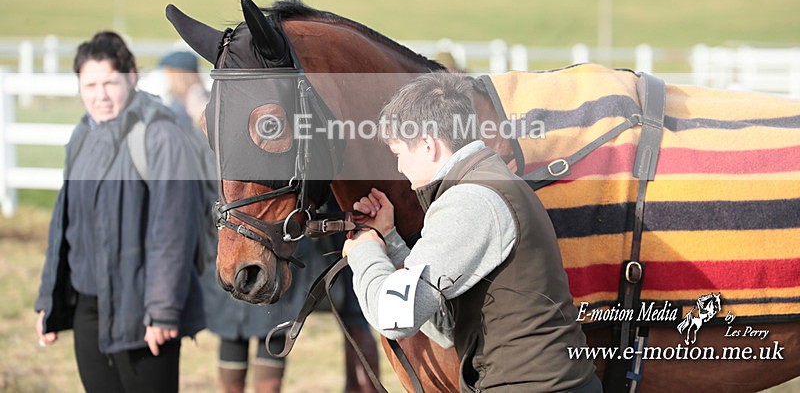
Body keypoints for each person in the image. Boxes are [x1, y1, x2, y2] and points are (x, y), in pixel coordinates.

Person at [343, 72, 602, 392]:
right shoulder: (485, 180)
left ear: (427, 145)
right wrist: (390, 240)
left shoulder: (470, 199)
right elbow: (445, 325)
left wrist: (364, 250)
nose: (399, 168)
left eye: (399, 154)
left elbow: (395, 316)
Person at [157, 51, 379, 393]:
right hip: (241, 237)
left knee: (270, 334)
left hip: (268, 241)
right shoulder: (222, 123)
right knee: (239, 337)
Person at [34, 31, 206, 393]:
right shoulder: (83, 135)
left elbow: (172, 232)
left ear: (131, 77)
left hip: (143, 309)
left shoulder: (161, 135)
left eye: (110, 82)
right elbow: (64, 224)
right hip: (88, 307)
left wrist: (161, 311)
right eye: (90, 84)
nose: (100, 95)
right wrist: (48, 300)